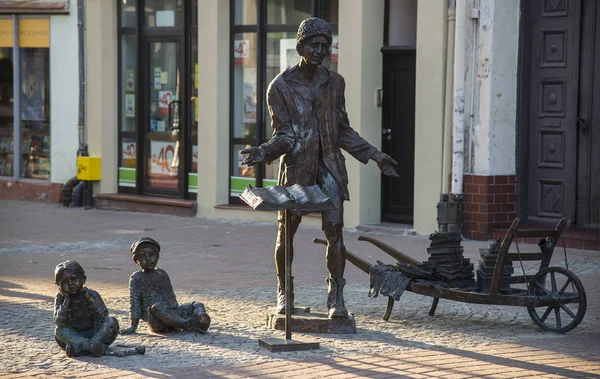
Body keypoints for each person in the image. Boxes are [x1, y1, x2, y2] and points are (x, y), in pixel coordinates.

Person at [241, 17, 399, 319]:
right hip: (298, 168)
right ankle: (284, 293)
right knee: (286, 232)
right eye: (313, 44)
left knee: (335, 231)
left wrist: (375, 155)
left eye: (325, 45)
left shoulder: (335, 82)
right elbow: (285, 135)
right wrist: (263, 152)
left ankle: (336, 296)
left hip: (330, 167)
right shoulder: (281, 86)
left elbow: (342, 130)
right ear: (300, 46)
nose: (319, 49)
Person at [120, 237, 211, 334]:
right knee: (156, 307)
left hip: (173, 312)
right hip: (156, 320)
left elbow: (172, 299)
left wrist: (180, 312)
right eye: (142, 256)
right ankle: (186, 324)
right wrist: (133, 326)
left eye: (151, 254)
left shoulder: (162, 274)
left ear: (157, 256)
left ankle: (201, 320)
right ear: (136, 260)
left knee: (197, 304)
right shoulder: (137, 277)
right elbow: (135, 304)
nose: (148, 259)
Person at [53, 260, 119, 357]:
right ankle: (91, 347)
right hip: (75, 336)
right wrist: (66, 301)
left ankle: (82, 348)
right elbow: (59, 322)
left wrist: (90, 299)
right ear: (59, 285)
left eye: (74, 279)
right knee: (59, 330)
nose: (70, 284)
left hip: (96, 334)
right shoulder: (60, 298)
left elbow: (104, 316)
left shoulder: (91, 294)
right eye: (65, 282)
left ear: (83, 279)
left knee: (112, 321)